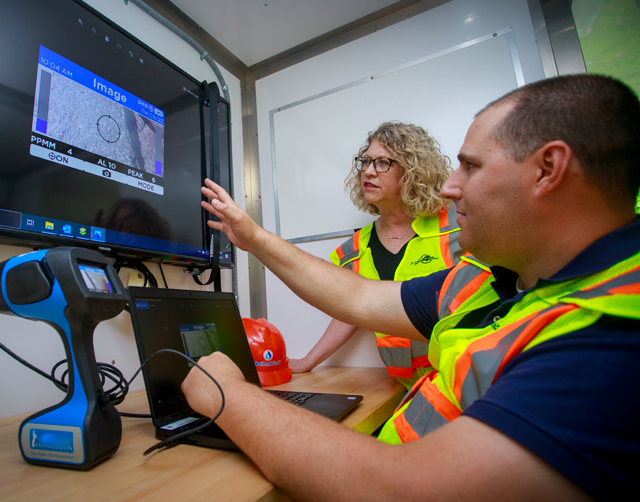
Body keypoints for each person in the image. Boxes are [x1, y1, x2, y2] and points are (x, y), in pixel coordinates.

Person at [183, 74, 640, 500]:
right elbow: (357, 297)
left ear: (548, 169)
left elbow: (399, 488)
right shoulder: (491, 280)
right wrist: (255, 237)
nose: (450, 187)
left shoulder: (612, 336)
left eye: (471, 167)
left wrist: (227, 391)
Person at [289, 122, 462, 390]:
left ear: (412, 170)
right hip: (408, 388)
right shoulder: (355, 249)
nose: (368, 171)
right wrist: (306, 362)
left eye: (382, 162)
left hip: (463, 379)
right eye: (366, 162)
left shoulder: (456, 225)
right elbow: (349, 310)